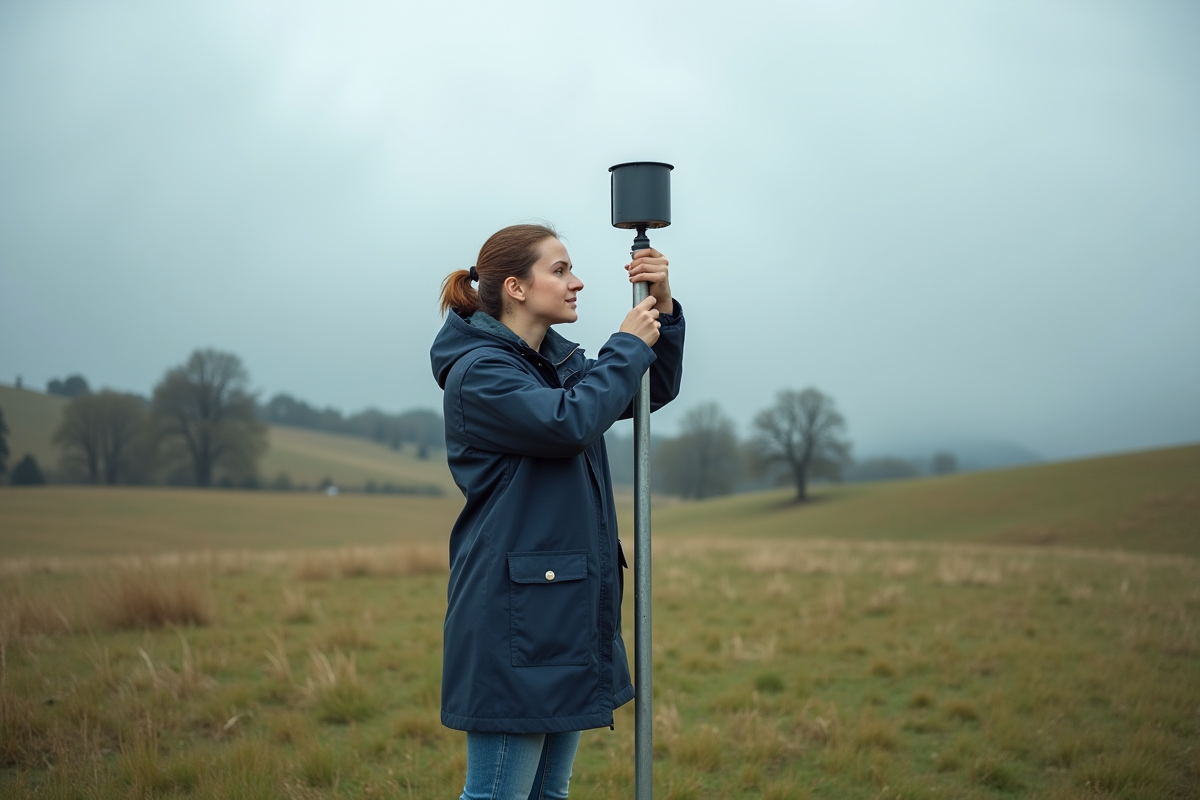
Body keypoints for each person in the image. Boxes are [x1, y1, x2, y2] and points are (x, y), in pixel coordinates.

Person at [430, 223, 685, 800]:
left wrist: (662, 313)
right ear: (516, 288)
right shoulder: (480, 375)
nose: (578, 283)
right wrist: (626, 345)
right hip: (514, 621)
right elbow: (568, 422)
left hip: (557, 613)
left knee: (548, 795)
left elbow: (650, 389)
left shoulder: (552, 366)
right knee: (499, 795)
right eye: (561, 270)